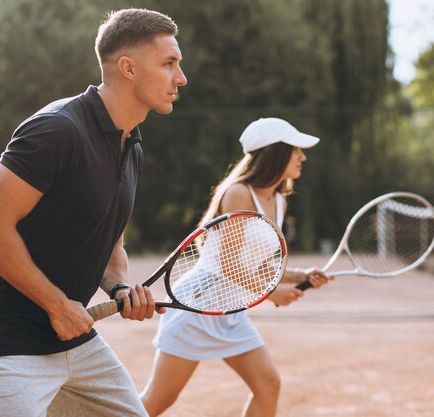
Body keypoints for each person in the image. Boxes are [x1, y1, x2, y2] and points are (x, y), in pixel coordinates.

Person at [0, 8, 187, 417]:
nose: (180, 77)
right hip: (7, 339)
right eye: (169, 63)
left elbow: (108, 235)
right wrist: (58, 306)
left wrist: (119, 287)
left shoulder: (131, 146)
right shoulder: (56, 131)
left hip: (75, 340)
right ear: (128, 68)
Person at [140, 117, 332, 417]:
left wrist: (300, 275)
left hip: (231, 310)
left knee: (268, 385)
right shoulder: (239, 193)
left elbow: (259, 266)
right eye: (296, 150)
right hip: (196, 306)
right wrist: (273, 295)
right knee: (157, 401)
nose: (302, 157)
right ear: (276, 153)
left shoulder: (279, 201)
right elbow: (229, 265)